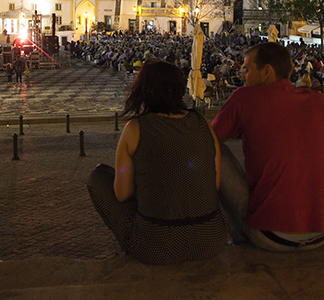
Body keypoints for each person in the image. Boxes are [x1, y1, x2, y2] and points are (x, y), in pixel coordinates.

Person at [87, 60, 227, 264]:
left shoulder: (135, 129)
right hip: (210, 240)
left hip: (158, 245)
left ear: (142, 90)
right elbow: (214, 184)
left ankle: (132, 245)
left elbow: (122, 193)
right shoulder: (203, 124)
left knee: (98, 177)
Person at [211, 42, 324, 251]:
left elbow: (206, 142)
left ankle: (240, 236)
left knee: (217, 152)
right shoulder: (319, 101)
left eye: (246, 69)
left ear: (266, 71)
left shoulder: (244, 97)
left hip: (271, 233)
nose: (242, 76)